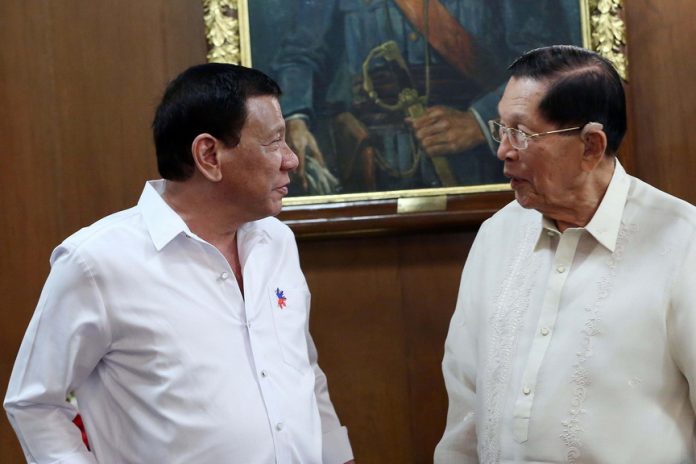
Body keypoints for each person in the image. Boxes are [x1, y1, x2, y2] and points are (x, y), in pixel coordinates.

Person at [4, 63, 355, 464]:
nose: (291, 159)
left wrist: (336, 456)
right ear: (209, 155)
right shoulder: (95, 261)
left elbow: (301, 369)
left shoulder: (277, 241)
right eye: (274, 142)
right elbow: (35, 404)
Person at [434, 45, 696, 463]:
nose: (503, 150)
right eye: (500, 128)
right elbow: (465, 398)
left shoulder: (684, 244)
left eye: (522, 133)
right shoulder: (496, 236)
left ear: (591, 145)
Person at [271, 0, 580, 194]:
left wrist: (480, 122)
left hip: (482, 168)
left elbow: (549, 63)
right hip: (374, 170)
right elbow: (300, 53)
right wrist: (295, 119)